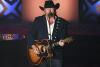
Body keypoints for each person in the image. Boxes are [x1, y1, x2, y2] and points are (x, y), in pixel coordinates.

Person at [27, 0, 72, 67]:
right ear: (44, 10)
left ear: (55, 9)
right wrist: (34, 47)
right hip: (41, 57)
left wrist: (63, 42)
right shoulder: (38, 20)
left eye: (51, 8)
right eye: (47, 9)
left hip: (57, 56)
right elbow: (30, 35)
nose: (50, 10)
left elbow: (68, 37)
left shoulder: (62, 22)